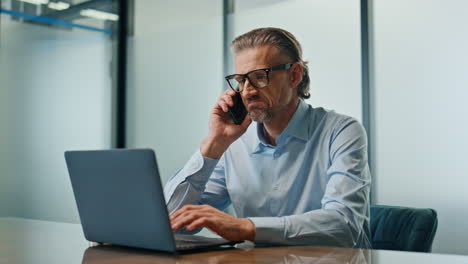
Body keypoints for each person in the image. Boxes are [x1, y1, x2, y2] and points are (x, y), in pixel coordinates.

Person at [164, 27, 371, 248]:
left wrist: (246, 228)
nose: (247, 91)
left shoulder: (341, 131)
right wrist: (214, 143)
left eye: (259, 77)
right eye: (241, 80)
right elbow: (172, 221)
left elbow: (344, 225)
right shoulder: (235, 143)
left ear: (294, 75)